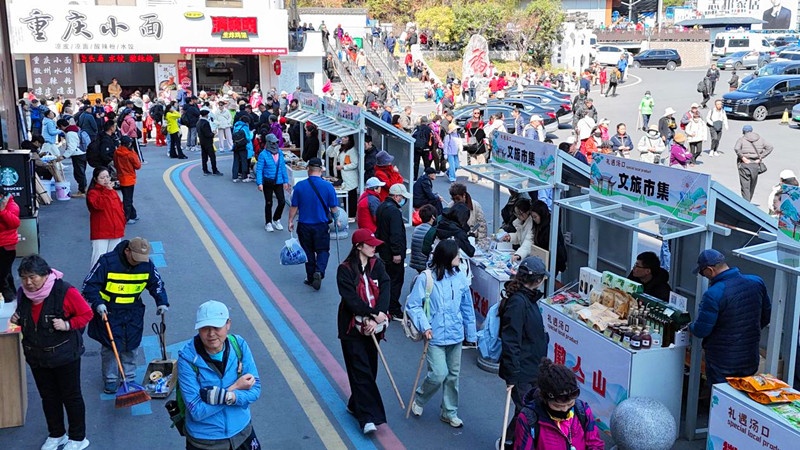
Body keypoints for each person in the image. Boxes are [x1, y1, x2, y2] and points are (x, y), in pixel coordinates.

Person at [11, 255, 93, 450]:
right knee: (48, 397)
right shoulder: (23, 293)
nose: (28, 283)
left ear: (45, 275)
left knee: (71, 396)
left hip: (64, 355)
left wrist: (67, 324)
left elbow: (86, 314)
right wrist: (17, 318)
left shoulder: (65, 291)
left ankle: (78, 438)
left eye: (33, 277)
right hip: (37, 356)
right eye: (24, 278)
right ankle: (56, 434)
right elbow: (27, 317)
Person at [83, 237, 169, 394]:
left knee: (131, 344)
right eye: (135, 258)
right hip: (109, 310)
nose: (138, 262)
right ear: (127, 251)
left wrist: (161, 302)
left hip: (133, 311)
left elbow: (156, 284)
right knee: (111, 346)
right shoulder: (107, 262)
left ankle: (128, 378)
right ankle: (110, 379)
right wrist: (98, 303)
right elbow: (89, 285)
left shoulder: (146, 264)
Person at [407, 240, 477, 428]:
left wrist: (471, 334)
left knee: (453, 375)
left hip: (455, 334)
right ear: (447, 257)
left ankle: (449, 412)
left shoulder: (461, 276)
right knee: (439, 374)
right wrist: (425, 326)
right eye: (457, 255)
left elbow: (467, 306)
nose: (460, 258)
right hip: (434, 334)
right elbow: (413, 305)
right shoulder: (426, 278)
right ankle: (420, 399)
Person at [178, 300, 262, 450]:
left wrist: (224, 397)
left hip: (242, 433)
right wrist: (234, 389)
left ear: (228, 324)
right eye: (205, 328)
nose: (211, 334)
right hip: (205, 442)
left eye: (217, 327)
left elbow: (255, 390)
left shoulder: (239, 345)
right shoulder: (187, 359)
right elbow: (197, 411)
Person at [336, 229, 391, 435]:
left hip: (374, 326)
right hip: (352, 328)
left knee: (370, 370)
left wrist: (380, 313)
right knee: (359, 370)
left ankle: (354, 403)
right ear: (359, 246)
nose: (374, 247)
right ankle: (367, 418)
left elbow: (385, 287)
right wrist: (368, 315)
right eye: (370, 244)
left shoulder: (378, 266)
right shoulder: (345, 270)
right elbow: (350, 299)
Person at [690, 249, 771, 385]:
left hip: (722, 361)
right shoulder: (756, 282)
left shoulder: (714, 294)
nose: (703, 275)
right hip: (749, 357)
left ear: (710, 270)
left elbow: (701, 330)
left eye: (702, 272)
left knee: (720, 401)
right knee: (741, 399)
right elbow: (766, 316)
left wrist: (690, 327)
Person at [496, 257, 549, 450]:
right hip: (521, 370)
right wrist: (512, 374)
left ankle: (510, 440)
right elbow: (511, 340)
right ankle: (510, 442)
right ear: (537, 279)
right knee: (527, 410)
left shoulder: (527, 298)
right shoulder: (519, 303)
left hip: (532, 366)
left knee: (527, 410)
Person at [512, 359, 604, 450]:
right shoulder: (528, 418)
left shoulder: (582, 410)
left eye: (570, 404)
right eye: (558, 406)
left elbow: (595, 444)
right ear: (545, 399)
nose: (565, 409)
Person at [288, 158, 339, 290]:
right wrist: (337, 219)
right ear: (321, 170)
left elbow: (294, 206)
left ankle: (310, 277)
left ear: (308, 169)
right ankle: (319, 271)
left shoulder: (299, 186)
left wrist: (290, 221)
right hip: (321, 225)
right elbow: (334, 208)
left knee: (308, 252)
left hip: (304, 225)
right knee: (323, 250)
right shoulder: (328, 186)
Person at [375, 184, 411, 318]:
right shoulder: (394, 211)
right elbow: (395, 234)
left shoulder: (382, 207)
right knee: (396, 281)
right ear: (396, 196)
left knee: (386, 280)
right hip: (392, 252)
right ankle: (393, 308)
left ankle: (386, 304)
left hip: (384, 250)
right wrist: (397, 252)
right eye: (402, 197)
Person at [86, 167, 125, 269]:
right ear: (96, 179)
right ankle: (94, 282)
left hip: (116, 229)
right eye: (102, 177)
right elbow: (98, 205)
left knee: (114, 259)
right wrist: (107, 191)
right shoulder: (93, 193)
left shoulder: (112, 191)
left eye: (107, 176)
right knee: (98, 259)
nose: (106, 180)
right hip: (101, 231)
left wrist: (122, 223)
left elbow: (119, 208)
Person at [255, 134, 289, 232]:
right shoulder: (263, 154)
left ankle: (276, 219)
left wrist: (285, 181)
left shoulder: (280, 153)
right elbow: (259, 169)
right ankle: (268, 222)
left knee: (282, 202)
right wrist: (260, 183)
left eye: (276, 142)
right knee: (269, 202)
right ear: (268, 143)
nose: (275, 144)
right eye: (273, 142)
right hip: (268, 182)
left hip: (278, 181)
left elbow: (283, 168)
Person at [734, 125, 773, 201]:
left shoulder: (741, 139)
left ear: (743, 132)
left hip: (744, 164)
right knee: (752, 184)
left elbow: (736, 148)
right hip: (755, 164)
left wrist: (743, 158)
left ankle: (746, 203)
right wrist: (760, 157)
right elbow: (770, 147)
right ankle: (748, 201)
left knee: (745, 186)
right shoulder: (760, 139)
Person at [326, 136, 359, 218]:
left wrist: (343, 167)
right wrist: (332, 145)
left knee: (351, 196)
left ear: (349, 139)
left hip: (349, 177)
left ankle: (352, 215)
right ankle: (346, 214)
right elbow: (329, 154)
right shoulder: (338, 147)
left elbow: (355, 163)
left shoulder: (352, 150)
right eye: (342, 137)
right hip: (339, 175)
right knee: (344, 197)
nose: (342, 139)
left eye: (345, 137)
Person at [113, 136, 141, 225]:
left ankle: (133, 214)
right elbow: (138, 166)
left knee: (127, 198)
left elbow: (115, 163)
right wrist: (133, 152)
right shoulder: (130, 154)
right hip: (129, 178)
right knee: (128, 200)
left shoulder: (117, 152)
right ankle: (127, 217)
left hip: (121, 176)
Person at [0, 187, 19, 303]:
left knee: (2, 276)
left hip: (6, 246)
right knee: (6, 274)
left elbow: (15, 223)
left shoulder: (12, 205)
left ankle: (9, 299)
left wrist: (2, 211)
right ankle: (14, 297)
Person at [410, 204, 438, 272]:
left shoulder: (416, 229)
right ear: (433, 217)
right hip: (425, 262)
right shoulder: (431, 231)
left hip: (416, 261)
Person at [197, 109, 222, 176]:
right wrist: (213, 134)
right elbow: (207, 134)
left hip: (202, 141)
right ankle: (214, 170)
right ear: (206, 115)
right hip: (208, 142)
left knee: (204, 156)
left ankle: (205, 169)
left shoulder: (198, 122)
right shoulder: (205, 123)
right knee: (212, 156)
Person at [231, 117, 253, 182]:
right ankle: (244, 177)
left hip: (236, 146)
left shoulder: (236, 126)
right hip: (243, 146)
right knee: (244, 161)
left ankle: (235, 176)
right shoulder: (245, 127)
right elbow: (248, 138)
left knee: (236, 161)